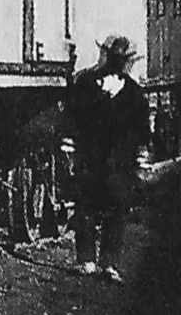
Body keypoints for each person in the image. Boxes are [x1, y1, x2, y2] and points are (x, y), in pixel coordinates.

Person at [63, 33, 150, 279]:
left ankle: (86, 260)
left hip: (90, 159)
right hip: (120, 164)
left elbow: (73, 118)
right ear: (127, 62)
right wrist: (140, 162)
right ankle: (109, 264)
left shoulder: (85, 83)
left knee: (86, 208)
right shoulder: (135, 92)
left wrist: (71, 151)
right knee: (117, 211)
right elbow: (143, 132)